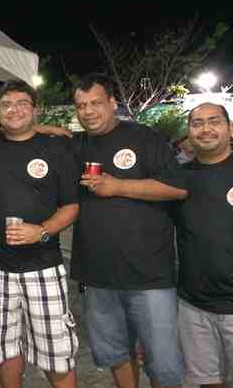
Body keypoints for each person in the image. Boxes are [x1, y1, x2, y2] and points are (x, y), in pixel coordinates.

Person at [71, 74, 186, 388]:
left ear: (113, 103)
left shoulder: (144, 137)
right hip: (97, 276)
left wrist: (118, 186)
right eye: (81, 105)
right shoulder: (77, 144)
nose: (88, 111)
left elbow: (177, 188)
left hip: (149, 276)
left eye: (96, 103)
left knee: (163, 364)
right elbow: (41, 133)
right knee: (115, 354)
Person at [0, 81, 80, 388]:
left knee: (56, 352)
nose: (14, 109)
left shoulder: (56, 148)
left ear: (35, 109)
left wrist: (42, 231)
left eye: (22, 103)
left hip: (43, 266)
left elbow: (71, 207)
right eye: (6, 104)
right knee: (3, 348)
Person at [173, 103, 233, 388]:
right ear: (189, 132)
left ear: (229, 129)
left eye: (214, 121)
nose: (205, 129)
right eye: (197, 123)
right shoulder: (178, 179)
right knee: (208, 383)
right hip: (193, 305)